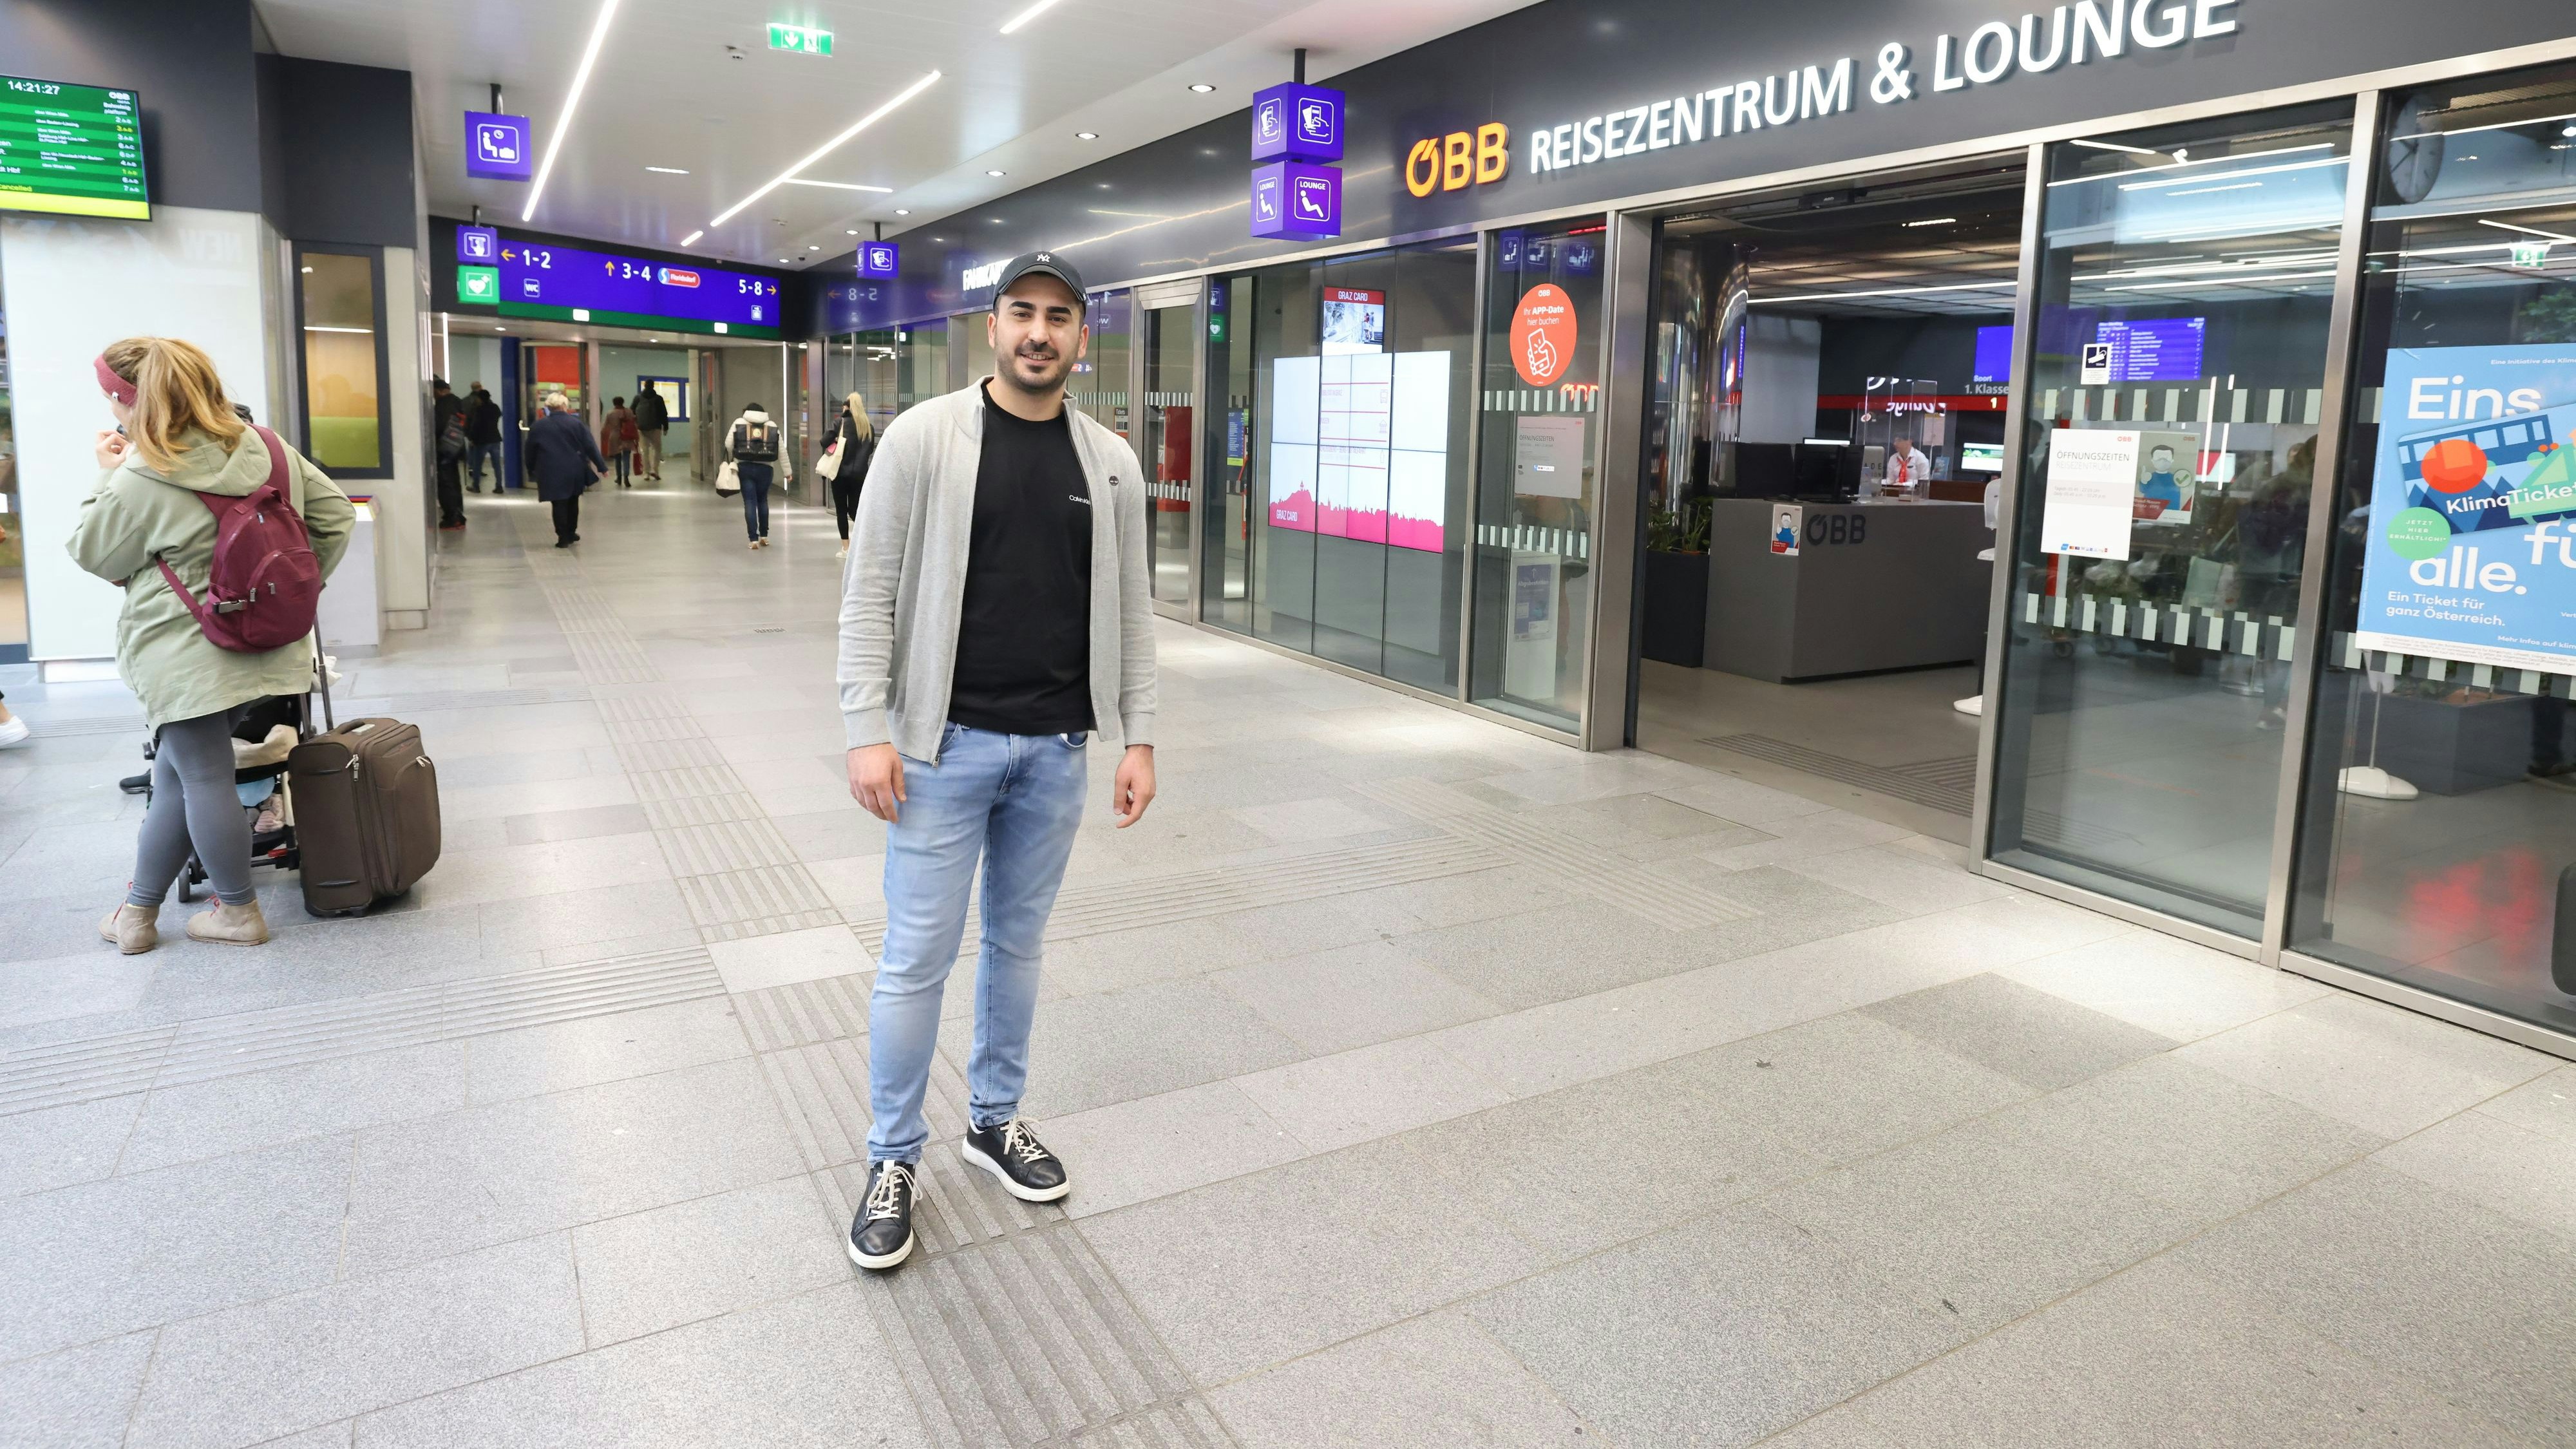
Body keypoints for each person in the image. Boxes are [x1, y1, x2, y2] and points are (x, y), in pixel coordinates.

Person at [836, 251, 1158, 1271]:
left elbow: (1134, 612)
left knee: (1016, 948)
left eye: (1059, 317)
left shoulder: (1110, 461)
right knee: (915, 956)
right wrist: (866, 726)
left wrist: (1136, 733)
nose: (1039, 332)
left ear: (1080, 336)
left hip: (1058, 748)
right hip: (942, 747)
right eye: (1022, 312)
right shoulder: (923, 440)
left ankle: (993, 1118)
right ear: (992, 325)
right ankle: (892, 1158)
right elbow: (869, 590)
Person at [68, 336, 354, 952]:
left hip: (185, 654)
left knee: (201, 777)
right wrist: (292, 590)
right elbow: (335, 516)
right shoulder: (270, 448)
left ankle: (237, 911)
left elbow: (93, 552)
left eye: (111, 401)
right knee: (176, 776)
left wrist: (107, 474)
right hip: (272, 647)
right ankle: (136, 916)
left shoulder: (140, 475)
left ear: (129, 401)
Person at [526, 390, 603, 548]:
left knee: (558, 503)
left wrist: (531, 468)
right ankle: (571, 531)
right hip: (574, 469)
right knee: (573, 500)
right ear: (564, 406)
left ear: (548, 407)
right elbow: (590, 446)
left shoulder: (538, 426)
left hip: (550, 470)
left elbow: (530, 451)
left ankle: (562, 537)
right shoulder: (577, 424)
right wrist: (602, 467)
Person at [726, 401, 788, 550]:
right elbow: (782, 451)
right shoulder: (772, 425)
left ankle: (753, 540)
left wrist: (735, 457)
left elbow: (728, 444)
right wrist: (788, 472)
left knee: (750, 502)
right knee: (763, 501)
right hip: (766, 469)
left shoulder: (739, 422)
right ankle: (764, 536)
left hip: (744, 467)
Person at [825, 392, 877, 560]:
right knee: (856, 510)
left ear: (846, 406)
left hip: (839, 474)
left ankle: (846, 548)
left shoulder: (840, 423)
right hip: (860, 475)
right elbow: (869, 450)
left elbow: (824, 441)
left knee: (841, 510)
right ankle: (867, 543)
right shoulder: (868, 427)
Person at [431, 378, 466, 530]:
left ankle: (453, 517)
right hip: (455, 449)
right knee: (453, 481)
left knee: (446, 483)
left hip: (445, 450)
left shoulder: (444, 404)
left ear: (439, 391)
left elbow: (440, 426)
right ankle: (457, 514)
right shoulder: (457, 402)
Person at [464, 383, 504, 492]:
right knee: (497, 466)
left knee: (477, 465)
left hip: (482, 441)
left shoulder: (479, 410)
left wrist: (471, 438)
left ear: (480, 399)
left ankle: (476, 486)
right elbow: (499, 415)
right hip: (495, 439)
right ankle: (499, 486)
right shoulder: (495, 408)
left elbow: (475, 426)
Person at [600, 395, 639, 489]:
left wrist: (603, 437)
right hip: (627, 437)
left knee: (617, 459)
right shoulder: (629, 412)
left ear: (614, 403)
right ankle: (626, 477)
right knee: (626, 457)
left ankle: (619, 478)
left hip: (615, 437)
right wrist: (636, 437)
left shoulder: (610, 413)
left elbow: (605, 427)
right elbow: (635, 424)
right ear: (623, 402)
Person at [634, 381, 670, 480]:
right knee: (657, 450)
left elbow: (632, 411)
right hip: (656, 428)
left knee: (645, 451)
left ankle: (646, 473)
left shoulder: (638, 398)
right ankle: (656, 471)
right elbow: (664, 414)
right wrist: (666, 427)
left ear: (644, 386)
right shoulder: (658, 398)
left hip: (641, 428)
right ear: (653, 386)